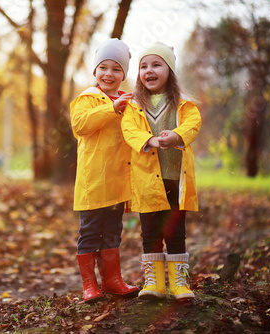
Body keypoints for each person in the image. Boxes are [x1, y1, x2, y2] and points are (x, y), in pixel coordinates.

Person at [121, 42, 201, 301]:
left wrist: (176, 136)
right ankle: (153, 282)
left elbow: (192, 125)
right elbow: (130, 130)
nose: (149, 70)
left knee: (175, 231)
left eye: (156, 64)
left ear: (170, 71)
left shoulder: (183, 104)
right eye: (144, 66)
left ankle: (179, 283)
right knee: (150, 231)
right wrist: (151, 140)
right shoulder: (134, 105)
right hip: (145, 182)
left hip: (175, 179)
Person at [70, 38, 139, 303]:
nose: (109, 74)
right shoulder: (87, 98)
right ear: (95, 72)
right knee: (89, 232)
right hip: (93, 183)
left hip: (118, 182)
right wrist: (110, 109)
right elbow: (81, 126)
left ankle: (112, 280)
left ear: (124, 74)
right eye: (104, 68)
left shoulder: (128, 103)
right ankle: (90, 285)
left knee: (112, 232)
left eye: (116, 69)